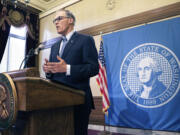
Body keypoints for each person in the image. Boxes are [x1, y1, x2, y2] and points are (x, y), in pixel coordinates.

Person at [43, 9, 99, 135]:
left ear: (70, 20)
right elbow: (53, 73)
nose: (56, 23)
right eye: (54, 20)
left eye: (59, 19)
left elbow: (94, 68)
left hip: (78, 100)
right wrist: (48, 70)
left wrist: (67, 68)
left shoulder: (86, 40)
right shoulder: (55, 46)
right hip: (56, 101)